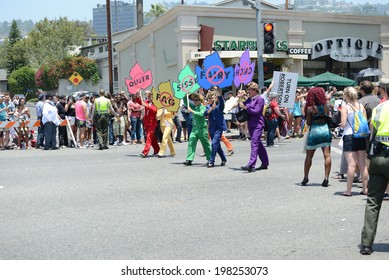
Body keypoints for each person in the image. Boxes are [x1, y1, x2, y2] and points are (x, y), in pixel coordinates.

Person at [360, 88, 389, 255]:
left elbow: (373, 132)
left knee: (373, 201)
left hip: (378, 156)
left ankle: (366, 244)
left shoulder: (379, 108)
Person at [340, 86, 369, 196]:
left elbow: (343, 124)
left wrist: (340, 124)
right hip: (361, 135)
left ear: (347, 96)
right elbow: (365, 121)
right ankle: (365, 189)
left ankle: (348, 190)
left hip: (349, 136)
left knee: (351, 165)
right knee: (362, 164)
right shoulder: (361, 106)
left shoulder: (345, 107)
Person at [301, 87, 332, 187]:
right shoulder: (326, 106)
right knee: (327, 155)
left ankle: (306, 177)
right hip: (325, 131)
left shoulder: (310, 109)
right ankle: (326, 178)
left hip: (314, 131)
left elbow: (308, 123)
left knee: (309, 156)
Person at [238, 82, 269, 172]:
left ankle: (251, 165)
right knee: (258, 144)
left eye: (249, 89)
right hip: (251, 124)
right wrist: (240, 97)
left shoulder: (260, 99)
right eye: (247, 90)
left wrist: (245, 107)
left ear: (255, 90)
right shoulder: (249, 99)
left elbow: (256, 111)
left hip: (258, 124)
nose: (248, 91)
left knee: (254, 143)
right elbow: (241, 105)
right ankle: (265, 162)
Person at [183, 92, 211, 166]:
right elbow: (186, 102)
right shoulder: (194, 106)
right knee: (191, 142)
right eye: (194, 100)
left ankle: (210, 159)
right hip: (194, 129)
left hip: (202, 129)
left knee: (205, 145)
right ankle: (189, 159)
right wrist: (186, 95)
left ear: (200, 101)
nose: (194, 101)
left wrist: (192, 111)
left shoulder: (202, 107)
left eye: (196, 100)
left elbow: (201, 114)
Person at [204, 89, 227, 167]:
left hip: (219, 127)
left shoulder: (219, 106)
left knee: (214, 143)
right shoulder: (208, 106)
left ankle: (211, 160)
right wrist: (211, 108)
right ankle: (223, 158)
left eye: (214, 98)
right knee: (217, 145)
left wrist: (218, 94)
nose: (213, 99)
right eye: (211, 98)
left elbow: (222, 103)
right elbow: (205, 113)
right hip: (212, 128)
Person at [140, 90, 159, 157]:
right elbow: (139, 102)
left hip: (152, 122)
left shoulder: (155, 103)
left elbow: (154, 110)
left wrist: (146, 105)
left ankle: (145, 152)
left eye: (149, 95)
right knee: (152, 137)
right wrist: (138, 94)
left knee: (149, 137)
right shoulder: (146, 102)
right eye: (146, 95)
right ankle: (157, 149)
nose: (148, 97)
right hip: (146, 122)